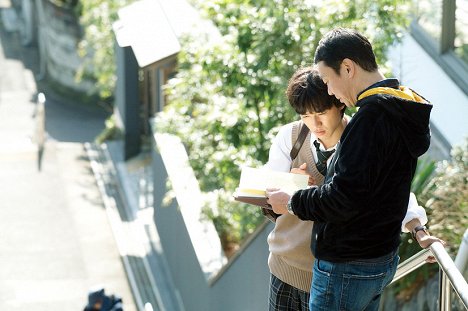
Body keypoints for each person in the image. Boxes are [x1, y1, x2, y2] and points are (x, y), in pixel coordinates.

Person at [266, 28, 444, 311]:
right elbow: (386, 187)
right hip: (374, 261)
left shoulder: (370, 121)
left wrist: (291, 200)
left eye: (328, 80)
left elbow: (344, 197)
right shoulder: (397, 108)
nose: (330, 91)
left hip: (347, 267)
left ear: (347, 68)